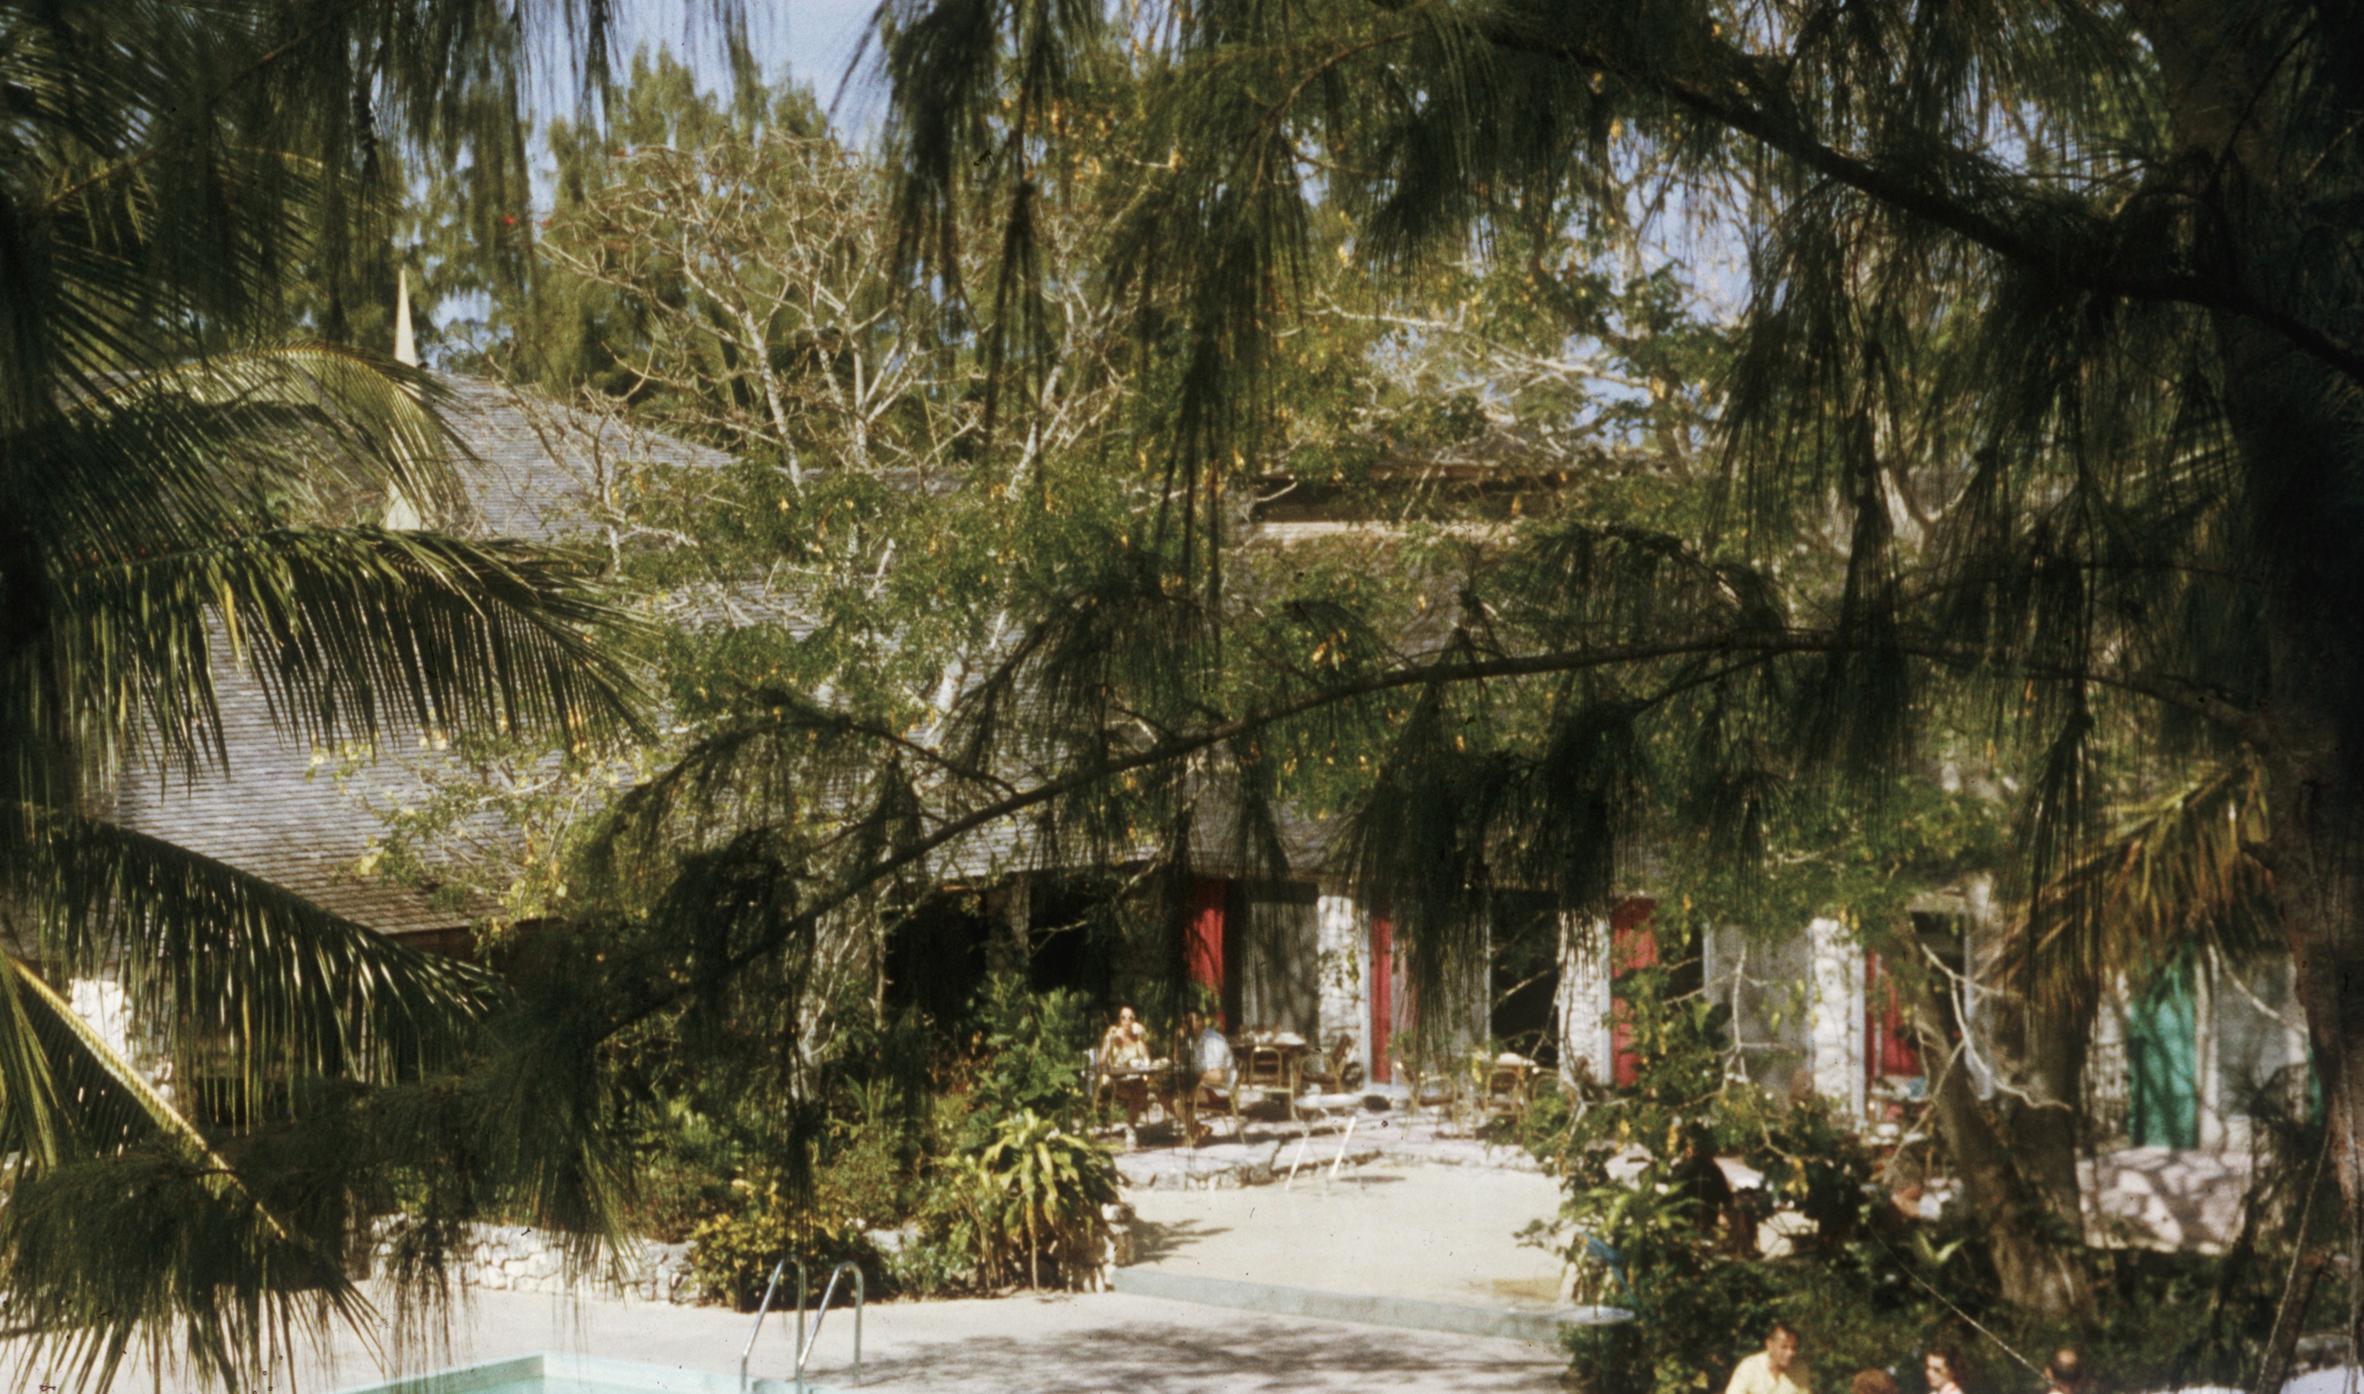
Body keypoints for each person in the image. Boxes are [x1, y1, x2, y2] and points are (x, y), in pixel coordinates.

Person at [1096, 1005, 1152, 1128]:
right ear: (1119, 1020)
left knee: (1140, 1087)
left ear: (1134, 1020)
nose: (1127, 1021)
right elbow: (1101, 1061)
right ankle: (1131, 1127)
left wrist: (1142, 1039)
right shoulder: (1114, 1036)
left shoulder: (1137, 1038)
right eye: (1123, 1017)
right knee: (1138, 1090)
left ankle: (1130, 1128)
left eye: (1130, 1018)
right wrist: (1108, 1041)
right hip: (1116, 1081)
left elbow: (1147, 1060)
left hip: (1134, 1079)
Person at [1725, 1321, 1809, 1394]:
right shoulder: (1749, 1367)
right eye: (1784, 1347)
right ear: (1769, 1345)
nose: (1790, 1353)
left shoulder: (1800, 1369)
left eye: (1794, 1348)